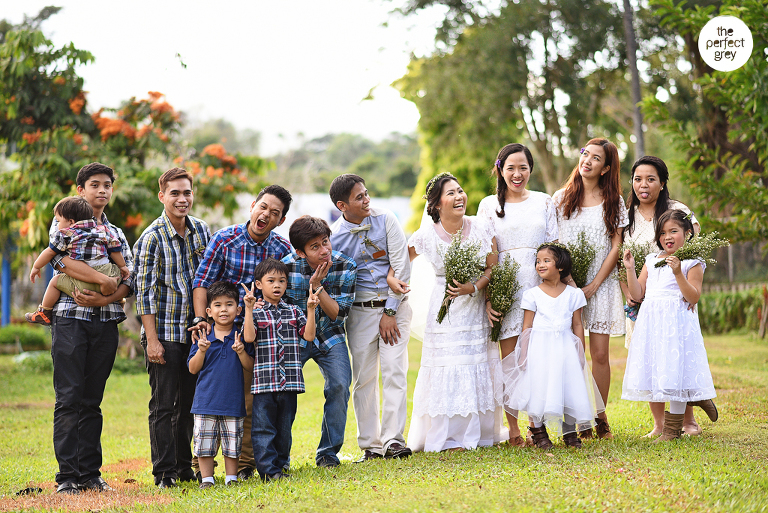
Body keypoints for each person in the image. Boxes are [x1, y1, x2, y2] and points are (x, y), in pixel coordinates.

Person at [190, 184, 292, 481]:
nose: (266, 215)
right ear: (253, 206)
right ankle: (202, 467)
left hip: (257, 336)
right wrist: (201, 317)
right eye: (263, 207)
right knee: (208, 396)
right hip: (221, 329)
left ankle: (245, 465)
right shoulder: (225, 239)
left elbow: (284, 293)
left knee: (248, 399)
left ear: (280, 220)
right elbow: (202, 281)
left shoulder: (281, 250)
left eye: (275, 213)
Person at [47, 162, 134, 494]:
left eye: (108, 185)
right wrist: (101, 279)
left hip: (105, 321)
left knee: (92, 399)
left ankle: (90, 473)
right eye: (95, 184)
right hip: (69, 319)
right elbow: (59, 261)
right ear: (80, 189)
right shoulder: (65, 222)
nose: (102, 190)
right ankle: (67, 476)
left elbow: (129, 277)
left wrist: (103, 299)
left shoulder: (116, 233)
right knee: (68, 397)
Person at [407, 173, 508, 452]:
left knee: (474, 363)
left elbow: (492, 267)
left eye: (460, 190)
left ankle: (481, 433)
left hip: (473, 308)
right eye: (450, 193)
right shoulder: (426, 234)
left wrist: (473, 288)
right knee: (447, 365)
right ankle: (447, 437)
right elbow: (401, 258)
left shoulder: (481, 227)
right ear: (437, 204)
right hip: (443, 309)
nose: (459, 196)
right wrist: (393, 279)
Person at [133, 167, 211, 488]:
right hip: (163, 333)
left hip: (194, 335)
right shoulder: (152, 238)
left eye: (187, 193)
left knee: (190, 405)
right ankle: (164, 472)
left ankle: (183, 467)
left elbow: (207, 277)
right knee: (164, 405)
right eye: (175, 193)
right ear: (162, 195)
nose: (182, 199)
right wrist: (152, 341)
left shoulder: (202, 230)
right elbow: (144, 294)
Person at [477, 143, 558, 446]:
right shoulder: (488, 205)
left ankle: (537, 425)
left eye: (523, 167)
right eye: (511, 167)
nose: (517, 173)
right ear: (500, 169)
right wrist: (489, 299)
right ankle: (513, 428)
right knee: (509, 359)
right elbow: (487, 254)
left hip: (540, 286)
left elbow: (554, 246)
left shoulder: (544, 201)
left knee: (537, 357)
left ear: (530, 169)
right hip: (506, 287)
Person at [329, 174, 413, 462]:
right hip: (360, 314)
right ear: (343, 205)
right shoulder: (333, 237)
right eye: (359, 198)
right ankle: (371, 446)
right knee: (364, 379)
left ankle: (393, 441)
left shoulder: (386, 218)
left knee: (394, 372)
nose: (367, 201)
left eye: (366, 194)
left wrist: (390, 310)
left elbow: (401, 266)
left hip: (395, 307)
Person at [553, 138, 628, 440]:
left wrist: (594, 284)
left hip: (603, 285)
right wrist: (570, 281)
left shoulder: (615, 202)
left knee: (599, 354)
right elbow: (554, 241)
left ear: (606, 168)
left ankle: (600, 417)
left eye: (596, 158)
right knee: (573, 353)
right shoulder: (561, 198)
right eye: (586, 154)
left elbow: (616, 246)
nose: (587, 161)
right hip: (567, 286)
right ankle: (577, 419)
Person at [622, 155, 702, 437]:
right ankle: (659, 425)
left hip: (676, 296)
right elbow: (624, 258)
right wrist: (629, 294)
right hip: (643, 299)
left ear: (662, 182)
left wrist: (682, 274)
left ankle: (688, 421)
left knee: (677, 358)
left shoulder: (677, 209)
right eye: (638, 179)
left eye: (651, 179)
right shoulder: (626, 215)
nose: (643, 185)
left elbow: (695, 243)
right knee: (650, 358)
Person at [621, 209, 719, 441]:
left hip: (677, 323)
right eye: (663, 232)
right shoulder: (651, 260)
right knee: (660, 369)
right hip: (653, 324)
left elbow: (692, 297)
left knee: (675, 369)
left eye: (673, 231)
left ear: (687, 233)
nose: (667, 236)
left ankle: (672, 430)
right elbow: (637, 294)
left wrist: (677, 273)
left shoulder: (692, 263)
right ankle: (696, 398)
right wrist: (629, 269)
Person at [501, 243, 604, 449]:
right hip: (540, 348)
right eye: (538, 261)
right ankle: (539, 433)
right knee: (538, 387)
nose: (540, 264)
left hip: (565, 347)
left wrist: (580, 352)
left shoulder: (574, 295)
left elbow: (577, 325)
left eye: (546, 260)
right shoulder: (532, 294)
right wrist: (523, 354)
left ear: (561, 266)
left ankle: (570, 432)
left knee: (568, 387)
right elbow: (527, 326)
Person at [282, 216, 356, 468]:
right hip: (296, 336)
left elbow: (338, 314)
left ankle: (328, 454)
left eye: (325, 242)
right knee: (284, 391)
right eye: (315, 247)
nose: (324, 250)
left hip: (331, 334)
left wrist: (317, 286)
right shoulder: (285, 269)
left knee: (339, 385)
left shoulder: (346, 266)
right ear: (300, 252)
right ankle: (280, 458)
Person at [244, 259, 320, 481]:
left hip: (290, 381)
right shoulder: (257, 313)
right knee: (263, 429)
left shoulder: (294, 311)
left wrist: (311, 309)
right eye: (271, 281)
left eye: (282, 281)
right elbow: (249, 337)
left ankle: (281, 466)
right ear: (259, 284)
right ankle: (268, 471)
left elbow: (309, 335)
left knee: (284, 429)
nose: (277, 285)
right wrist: (248, 309)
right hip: (264, 383)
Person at [187, 282, 255, 489]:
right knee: (204, 444)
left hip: (233, 402)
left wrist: (241, 350)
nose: (223, 309)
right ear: (209, 311)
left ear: (238, 309)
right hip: (205, 401)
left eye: (229, 304)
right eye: (217, 305)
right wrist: (201, 350)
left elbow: (249, 367)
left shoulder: (242, 337)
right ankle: (207, 479)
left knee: (232, 444)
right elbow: (192, 368)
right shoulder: (202, 338)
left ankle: (231, 478)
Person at [25, 196, 129, 326]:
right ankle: (118, 301)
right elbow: (115, 249)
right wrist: (123, 266)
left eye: (58, 221)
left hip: (83, 284)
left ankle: (44, 312)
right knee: (117, 270)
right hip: (110, 278)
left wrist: (36, 266)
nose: (57, 225)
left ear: (71, 221)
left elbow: (50, 252)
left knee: (54, 282)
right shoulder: (103, 230)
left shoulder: (65, 234)